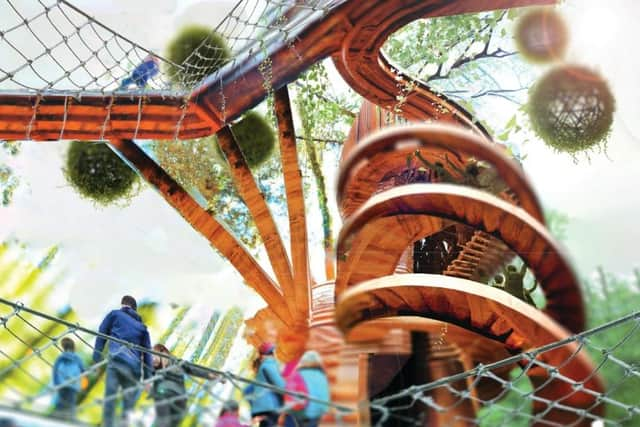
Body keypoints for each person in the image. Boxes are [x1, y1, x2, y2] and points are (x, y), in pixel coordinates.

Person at [93, 295, 152, 427]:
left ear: (123, 304)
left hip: (116, 362)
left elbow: (102, 334)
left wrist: (97, 359)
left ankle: (107, 424)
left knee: (110, 397)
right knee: (128, 404)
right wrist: (148, 379)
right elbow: (147, 353)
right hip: (134, 368)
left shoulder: (115, 315)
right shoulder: (142, 328)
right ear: (135, 309)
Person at [150, 343, 220, 427]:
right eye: (150, 359)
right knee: (163, 421)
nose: (153, 360)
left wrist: (210, 375)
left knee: (173, 422)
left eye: (154, 356)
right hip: (164, 396)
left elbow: (193, 369)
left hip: (178, 397)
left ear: (163, 352)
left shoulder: (177, 364)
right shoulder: (153, 369)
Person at [242, 343, 285, 427]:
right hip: (269, 408)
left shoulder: (256, 381)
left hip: (262, 409)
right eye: (271, 353)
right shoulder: (268, 364)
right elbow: (280, 385)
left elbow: (247, 393)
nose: (273, 355)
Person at [285, 351, 330, 427]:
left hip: (300, 410)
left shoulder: (297, 374)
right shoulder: (321, 375)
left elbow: (290, 391)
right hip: (316, 412)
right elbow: (324, 394)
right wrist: (324, 409)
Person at [52, 337, 85, 420]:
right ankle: (70, 420)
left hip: (62, 383)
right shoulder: (77, 358)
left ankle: (56, 418)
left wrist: (56, 382)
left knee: (61, 402)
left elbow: (55, 370)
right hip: (73, 384)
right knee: (71, 403)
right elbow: (83, 370)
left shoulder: (61, 357)